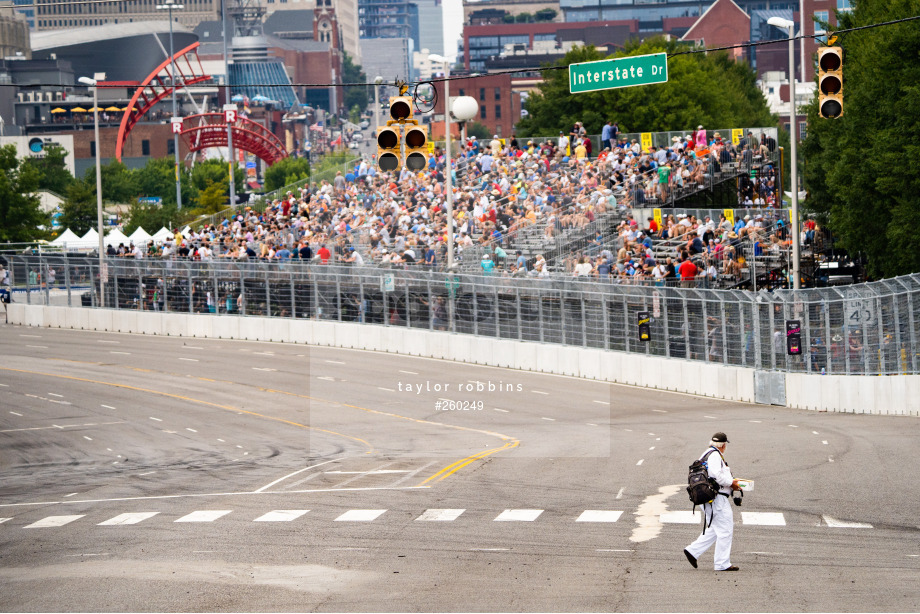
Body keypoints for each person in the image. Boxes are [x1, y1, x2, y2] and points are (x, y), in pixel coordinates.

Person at [684, 432, 741, 572]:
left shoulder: (707, 453)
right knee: (725, 530)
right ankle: (722, 563)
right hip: (717, 499)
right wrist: (732, 483)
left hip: (709, 499)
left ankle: (693, 551)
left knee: (715, 529)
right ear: (723, 445)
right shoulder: (715, 455)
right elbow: (716, 475)